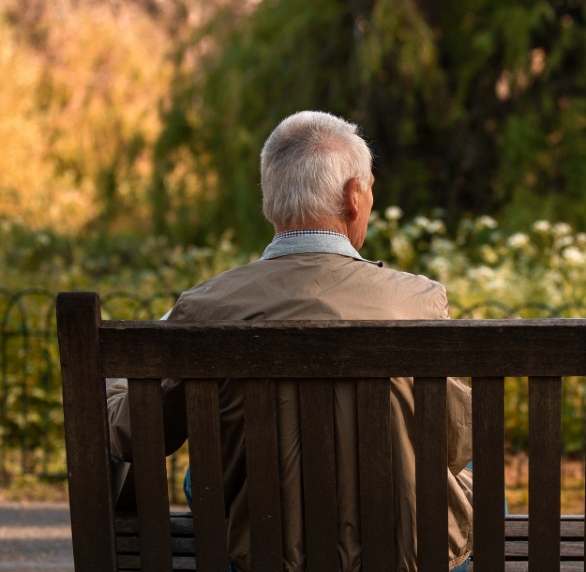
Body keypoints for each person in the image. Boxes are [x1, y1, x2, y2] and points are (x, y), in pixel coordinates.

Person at [104, 111, 473, 572]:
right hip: (411, 557)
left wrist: (122, 373)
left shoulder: (206, 308)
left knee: (202, 473)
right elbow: (456, 443)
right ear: (353, 198)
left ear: (269, 201)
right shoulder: (418, 300)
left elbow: (136, 431)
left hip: (263, 553)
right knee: (467, 477)